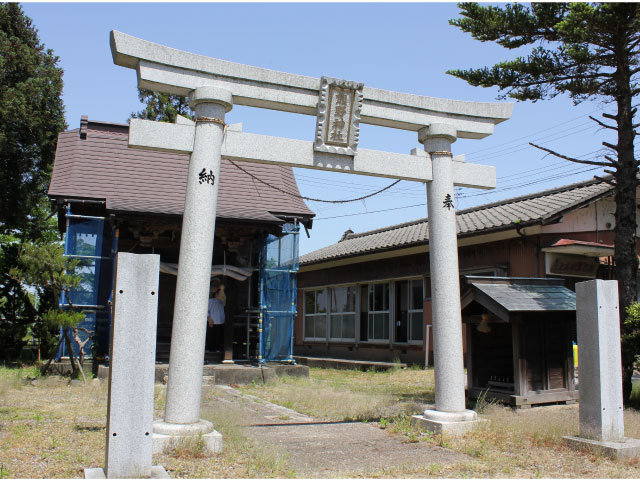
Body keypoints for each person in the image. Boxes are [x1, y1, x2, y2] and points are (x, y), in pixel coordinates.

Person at [206, 279, 226, 352]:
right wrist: (209, 319)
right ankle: (209, 348)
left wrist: (221, 290)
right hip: (213, 320)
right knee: (211, 335)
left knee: (218, 336)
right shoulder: (210, 301)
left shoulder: (222, 301)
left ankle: (217, 348)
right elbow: (206, 310)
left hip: (220, 320)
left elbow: (224, 299)